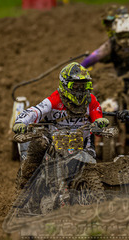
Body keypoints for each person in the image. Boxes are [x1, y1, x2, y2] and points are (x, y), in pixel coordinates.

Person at [12, 62, 109, 190]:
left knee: (93, 168)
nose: (80, 90)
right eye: (76, 86)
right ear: (65, 85)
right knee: (39, 144)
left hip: (83, 143)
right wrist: (21, 122)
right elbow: (35, 111)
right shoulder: (54, 100)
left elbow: (97, 115)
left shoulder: (91, 100)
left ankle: (91, 192)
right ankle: (25, 182)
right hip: (55, 141)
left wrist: (99, 122)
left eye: (83, 86)